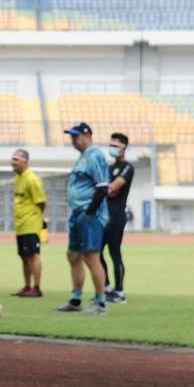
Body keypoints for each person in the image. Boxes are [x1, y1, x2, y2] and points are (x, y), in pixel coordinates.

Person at [56, 122, 113, 313]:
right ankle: (76, 299)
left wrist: (90, 213)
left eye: (76, 136)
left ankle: (101, 302)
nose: (73, 140)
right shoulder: (83, 157)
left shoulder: (95, 155)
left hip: (90, 214)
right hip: (78, 213)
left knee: (91, 257)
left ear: (87, 136)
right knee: (73, 255)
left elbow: (102, 186)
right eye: (71, 136)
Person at [101, 132, 137, 303]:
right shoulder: (108, 168)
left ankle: (120, 292)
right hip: (103, 215)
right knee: (95, 252)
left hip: (116, 216)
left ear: (124, 147)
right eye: (111, 145)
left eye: (115, 146)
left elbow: (113, 188)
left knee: (114, 253)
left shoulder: (127, 167)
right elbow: (105, 188)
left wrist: (105, 188)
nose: (112, 149)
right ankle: (107, 287)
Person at [10, 148, 46, 296]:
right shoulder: (18, 179)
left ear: (25, 161)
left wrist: (36, 217)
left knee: (32, 256)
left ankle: (36, 288)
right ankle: (27, 287)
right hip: (21, 225)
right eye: (12, 159)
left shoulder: (32, 179)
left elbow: (41, 202)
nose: (13, 162)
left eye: (16, 160)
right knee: (24, 257)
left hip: (31, 224)